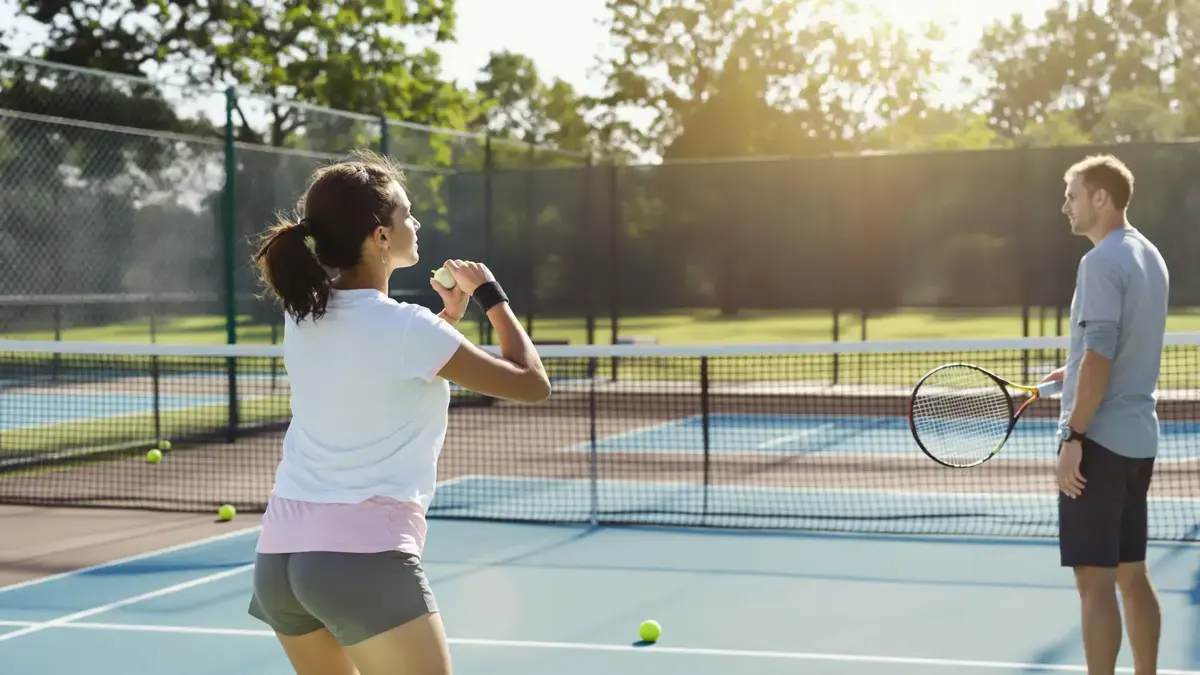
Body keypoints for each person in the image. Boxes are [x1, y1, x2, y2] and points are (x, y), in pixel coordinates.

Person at [245, 149, 551, 675]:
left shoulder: (304, 315)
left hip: (279, 561)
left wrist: (444, 322)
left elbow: (381, 369)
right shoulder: (409, 329)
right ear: (380, 237)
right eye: (405, 214)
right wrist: (491, 296)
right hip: (360, 562)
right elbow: (531, 384)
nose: (415, 222)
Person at [1043, 154, 1168, 675]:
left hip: (1099, 443)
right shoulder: (1149, 255)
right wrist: (1069, 375)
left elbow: (1101, 355)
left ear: (1101, 198)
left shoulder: (1099, 262)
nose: (1065, 204)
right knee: (1131, 575)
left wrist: (1074, 434)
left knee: (1093, 584)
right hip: (1138, 442)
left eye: (1072, 194)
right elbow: (1106, 350)